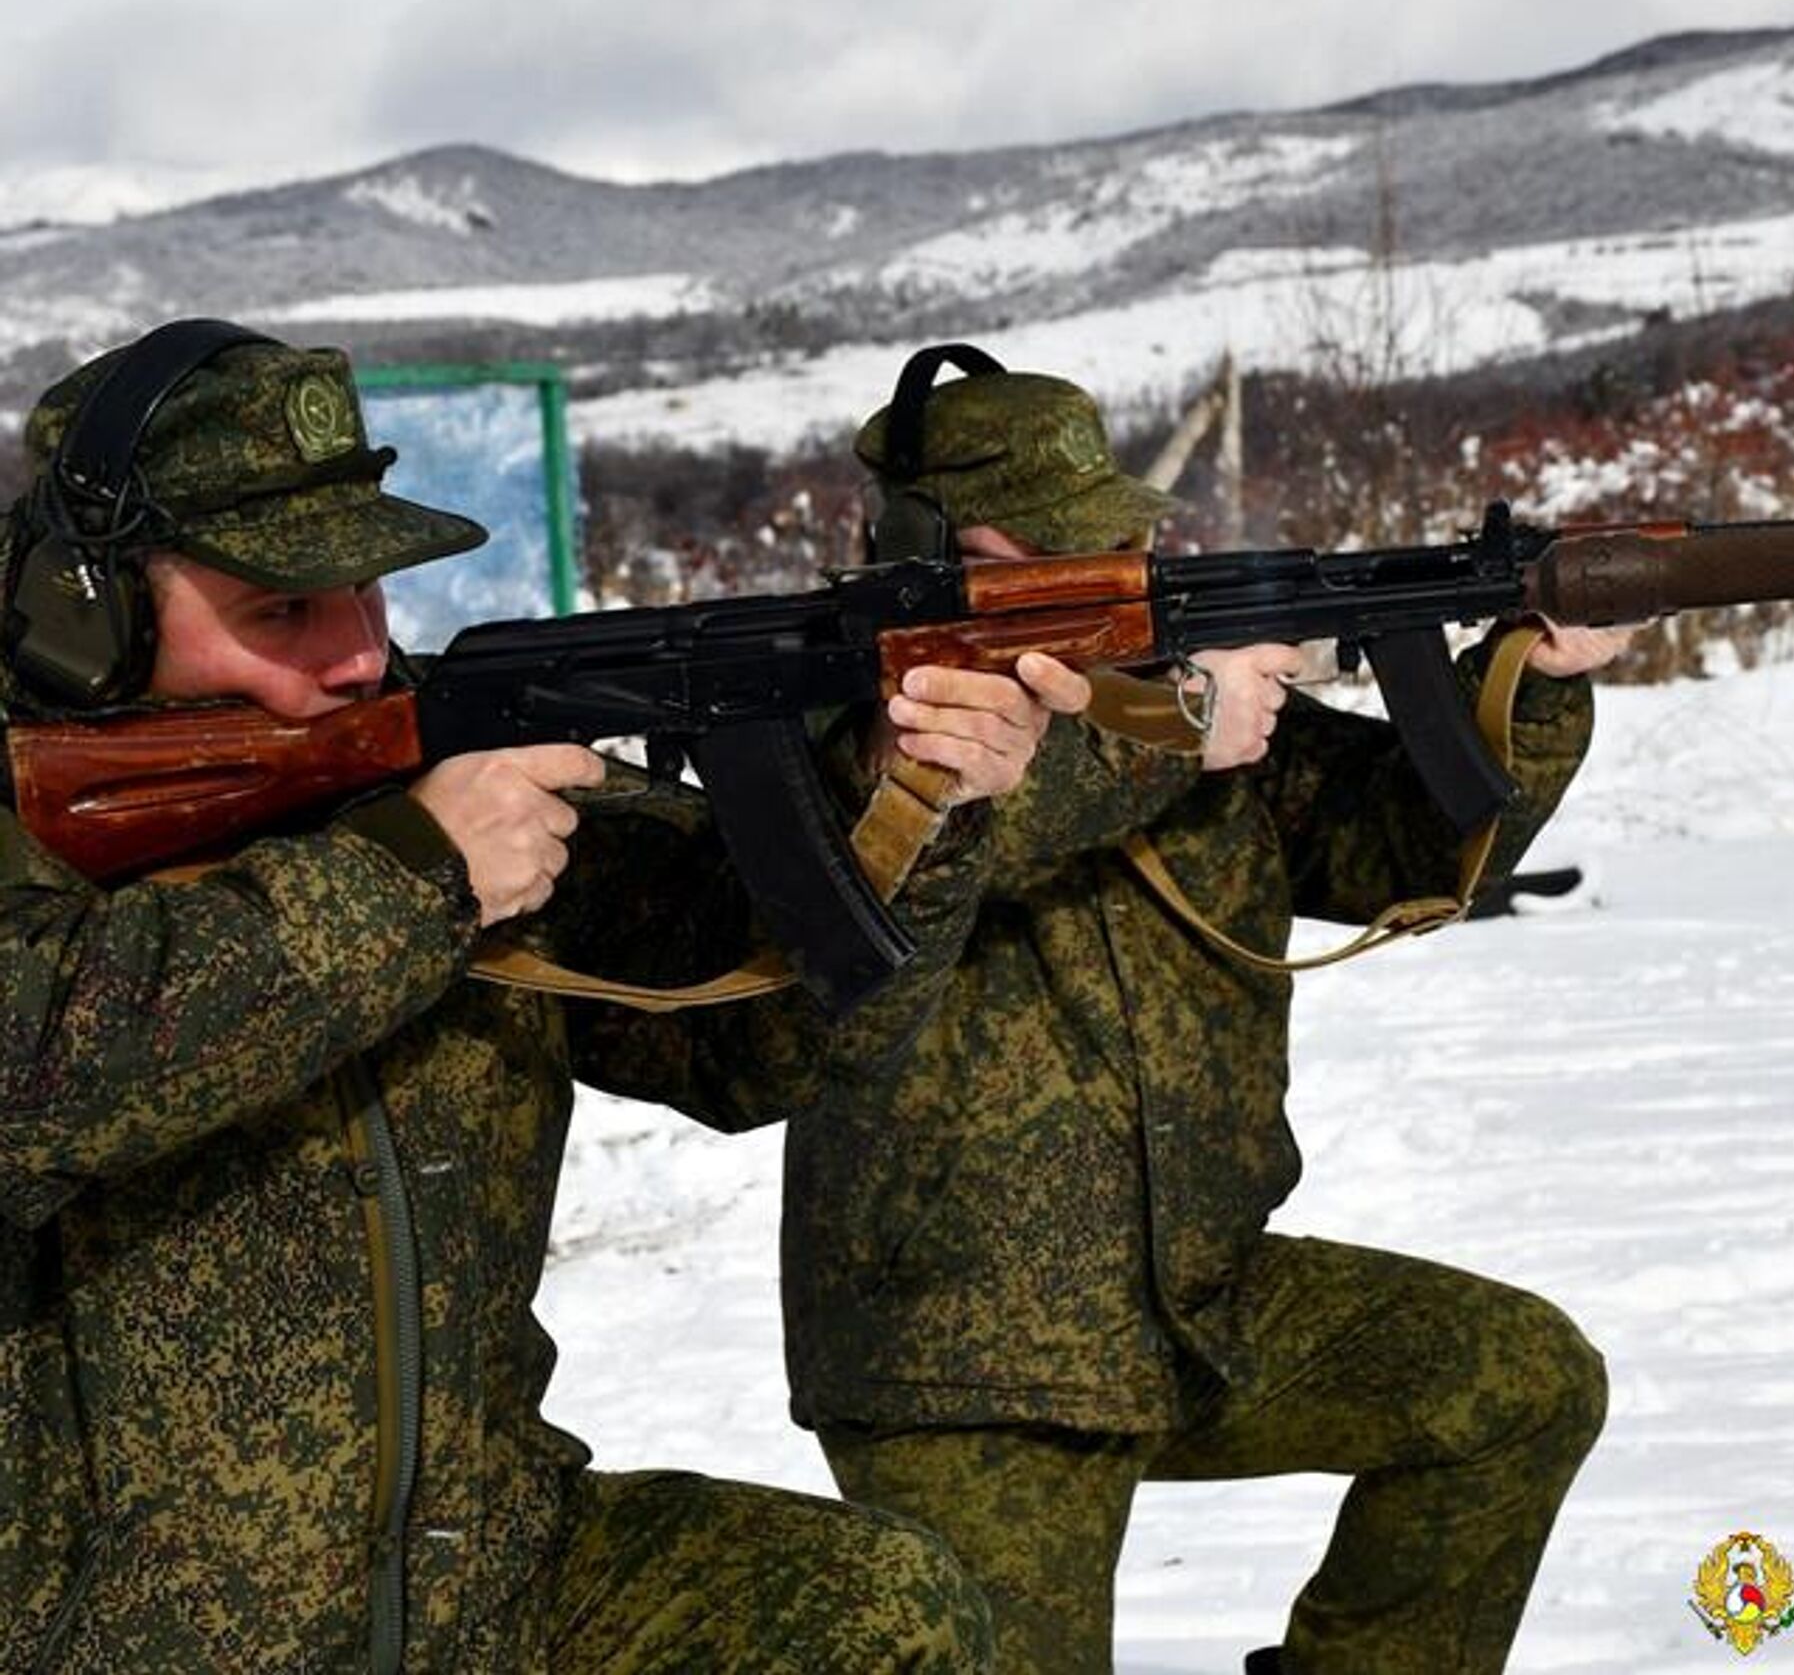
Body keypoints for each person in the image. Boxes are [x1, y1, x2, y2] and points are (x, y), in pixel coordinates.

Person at [0, 322, 1087, 1674]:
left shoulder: (433, 762)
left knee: (875, 1615)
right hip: (121, 1630)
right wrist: (412, 882)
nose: (353, 654)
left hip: (480, 1581)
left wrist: (904, 797)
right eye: (283, 607)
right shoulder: (61, 816)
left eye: (371, 591)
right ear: (82, 608)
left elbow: (756, 1039)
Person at [780, 361, 1632, 1675]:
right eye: (1049, 546)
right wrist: (1176, 724)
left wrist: (1538, 674)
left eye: (1117, 536)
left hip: (1200, 1305)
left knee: (1518, 1385)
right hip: (970, 1363)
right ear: (915, 550)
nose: (1105, 565)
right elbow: (959, 820)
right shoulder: (844, 711)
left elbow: (1410, 841)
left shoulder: (1167, 683)